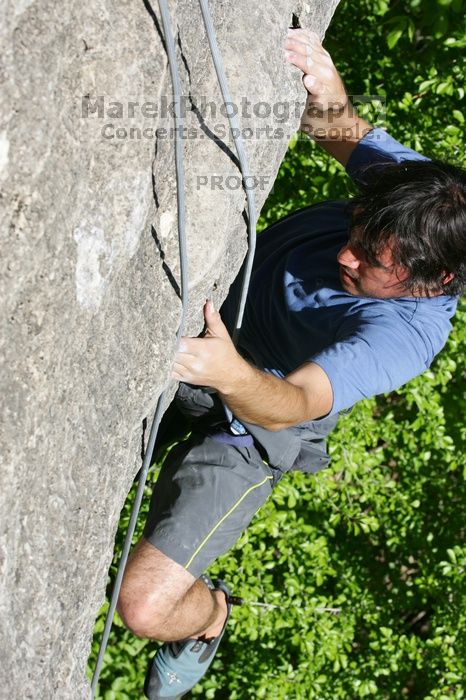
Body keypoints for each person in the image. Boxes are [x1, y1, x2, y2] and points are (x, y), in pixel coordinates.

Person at [117, 28, 466, 699]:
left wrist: (228, 374)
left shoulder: (405, 335)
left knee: (146, 608)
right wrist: (323, 84)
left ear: (432, 279)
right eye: (356, 231)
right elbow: (338, 128)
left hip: (256, 428)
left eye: (371, 262)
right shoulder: (418, 201)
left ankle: (210, 619)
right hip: (219, 341)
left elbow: (298, 402)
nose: (347, 255)